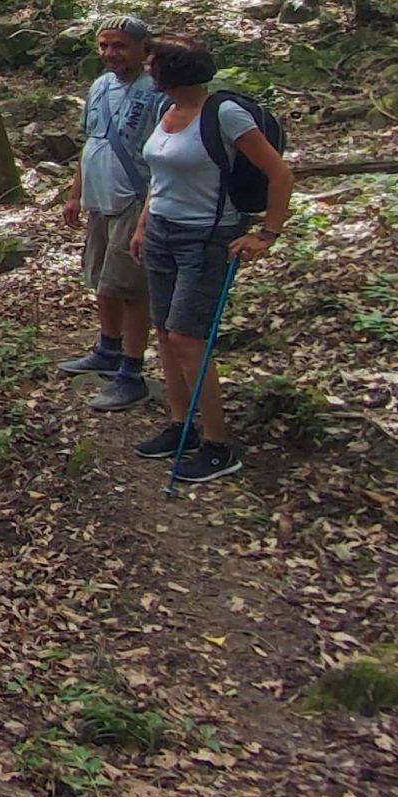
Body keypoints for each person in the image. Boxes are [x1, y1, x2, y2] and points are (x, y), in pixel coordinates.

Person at [127, 35, 294, 484]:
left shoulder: (224, 114)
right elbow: (158, 177)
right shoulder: (167, 111)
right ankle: (181, 428)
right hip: (162, 231)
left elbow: (279, 173)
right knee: (163, 332)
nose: (147, 68)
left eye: (153, 63)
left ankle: (218, 445)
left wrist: (267, 233)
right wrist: (143, 225)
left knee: (187, 337)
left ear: (171, 73)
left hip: (207, 236)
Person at [56, 16, 160, 411]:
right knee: (102, 278)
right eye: (103, 46)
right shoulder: (99, 87)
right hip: (99, 199)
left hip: (136, 198)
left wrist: (149, 214)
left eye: (118, 46)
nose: (109, 54)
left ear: (140, 47)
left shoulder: (156, 92)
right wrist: (74, 195)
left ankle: (132, 371)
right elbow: (91, 142)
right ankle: (108, 347)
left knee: (131, 287)